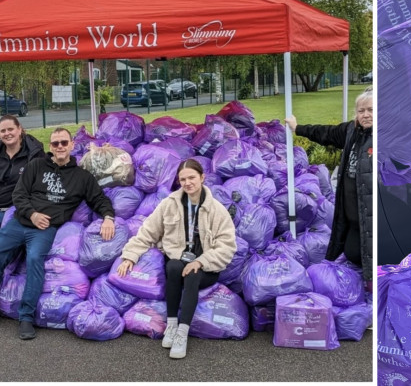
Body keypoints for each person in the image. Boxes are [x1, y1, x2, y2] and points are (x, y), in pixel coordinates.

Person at [1, 127, 116, 340]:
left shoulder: (82, 177)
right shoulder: (36, 166)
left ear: (72, 145)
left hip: (45, 230)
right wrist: (33, 214)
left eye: (64, 143)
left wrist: (108, 217)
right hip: (20, 223)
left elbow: (99, 199)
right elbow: (19, 195)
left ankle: (25, 317)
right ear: (51, 147)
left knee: (35, 259)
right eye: (55, 144)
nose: (60, 147)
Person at [116, 158, 236, 359]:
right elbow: (148, 232)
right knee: (172, 266)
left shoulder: (217, 210)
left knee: (193, 274)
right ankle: (171, 324)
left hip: (205, 267)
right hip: (179, 260)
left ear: (202, 178)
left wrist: (201, 261)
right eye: (183, 179)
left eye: (192, 178)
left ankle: (182, 332)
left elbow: (227, 246)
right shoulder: (169, 204)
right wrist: (130, 256)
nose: (188, 183)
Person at [284, 87, 373, 289]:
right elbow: (326, 133)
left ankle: (374, 286)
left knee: (370, 255)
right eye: (361, 111)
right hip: (352, 216)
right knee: (352, 252)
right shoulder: (351, 131)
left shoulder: (384, 138)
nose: (366, 115)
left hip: (371, 216)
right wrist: (298, 128)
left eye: (370, 110)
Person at [0, 115, 44, 220]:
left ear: (19, 129)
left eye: (10, 129)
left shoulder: (35, 154)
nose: (7, 133)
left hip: (16, 210)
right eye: (3, 131)